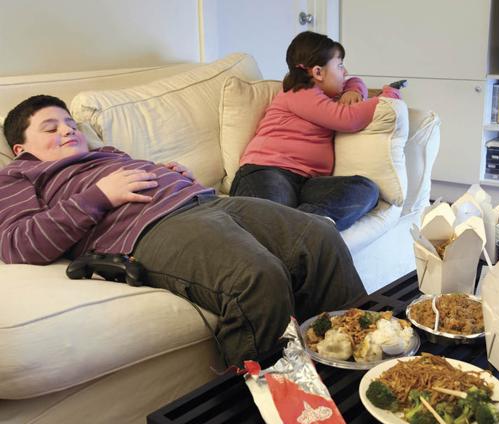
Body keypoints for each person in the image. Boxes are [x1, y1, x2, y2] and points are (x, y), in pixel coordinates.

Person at [0, 95, 367, 366]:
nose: (67, 130)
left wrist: (169, 175)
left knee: (320, 238)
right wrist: (99, 196)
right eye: (51, 128)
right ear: (21, 149)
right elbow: (18, 243)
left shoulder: (106, 154)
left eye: (70, 124)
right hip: (151, 229)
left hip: (211, 201)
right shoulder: (19, 175)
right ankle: (263, 403)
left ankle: (361, 369)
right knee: (257, 276)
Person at [229, 31, 401, 231]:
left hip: (308, 183)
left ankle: (303, 229)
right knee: (272, 217)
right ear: (318, 73)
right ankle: (301, 233)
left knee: (366, 190)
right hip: (267, 171)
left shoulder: (324, 95)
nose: (345, 72)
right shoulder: (299, 92)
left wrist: (353, 90)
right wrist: (387, 100)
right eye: (339, 65)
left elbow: (353, 81)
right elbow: (347, 119)